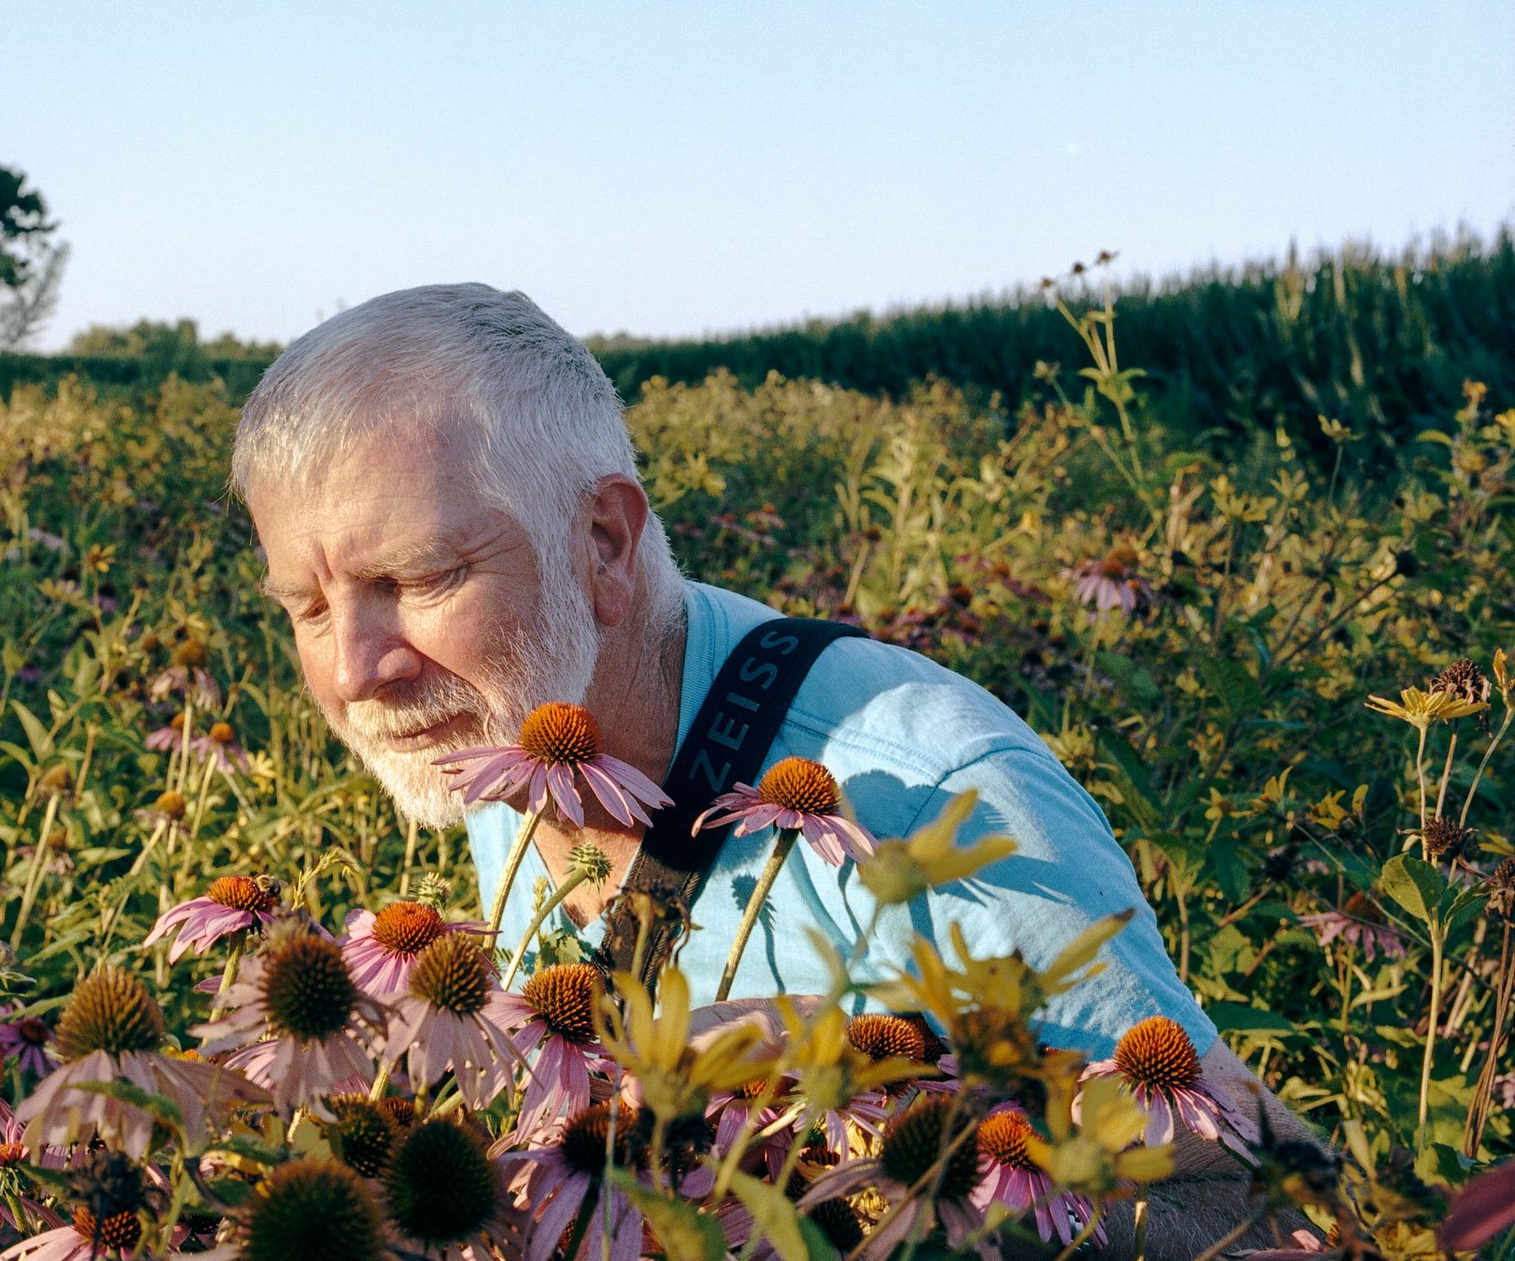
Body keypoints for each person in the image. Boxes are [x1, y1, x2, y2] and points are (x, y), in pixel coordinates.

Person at [233, 281, 1301, 1153]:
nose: (355, 670)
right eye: (308, 606)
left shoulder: (935, 793)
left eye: (417, 580)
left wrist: (877, 1113)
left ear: (602, 542)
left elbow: (1258, 1226)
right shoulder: (506, 747)